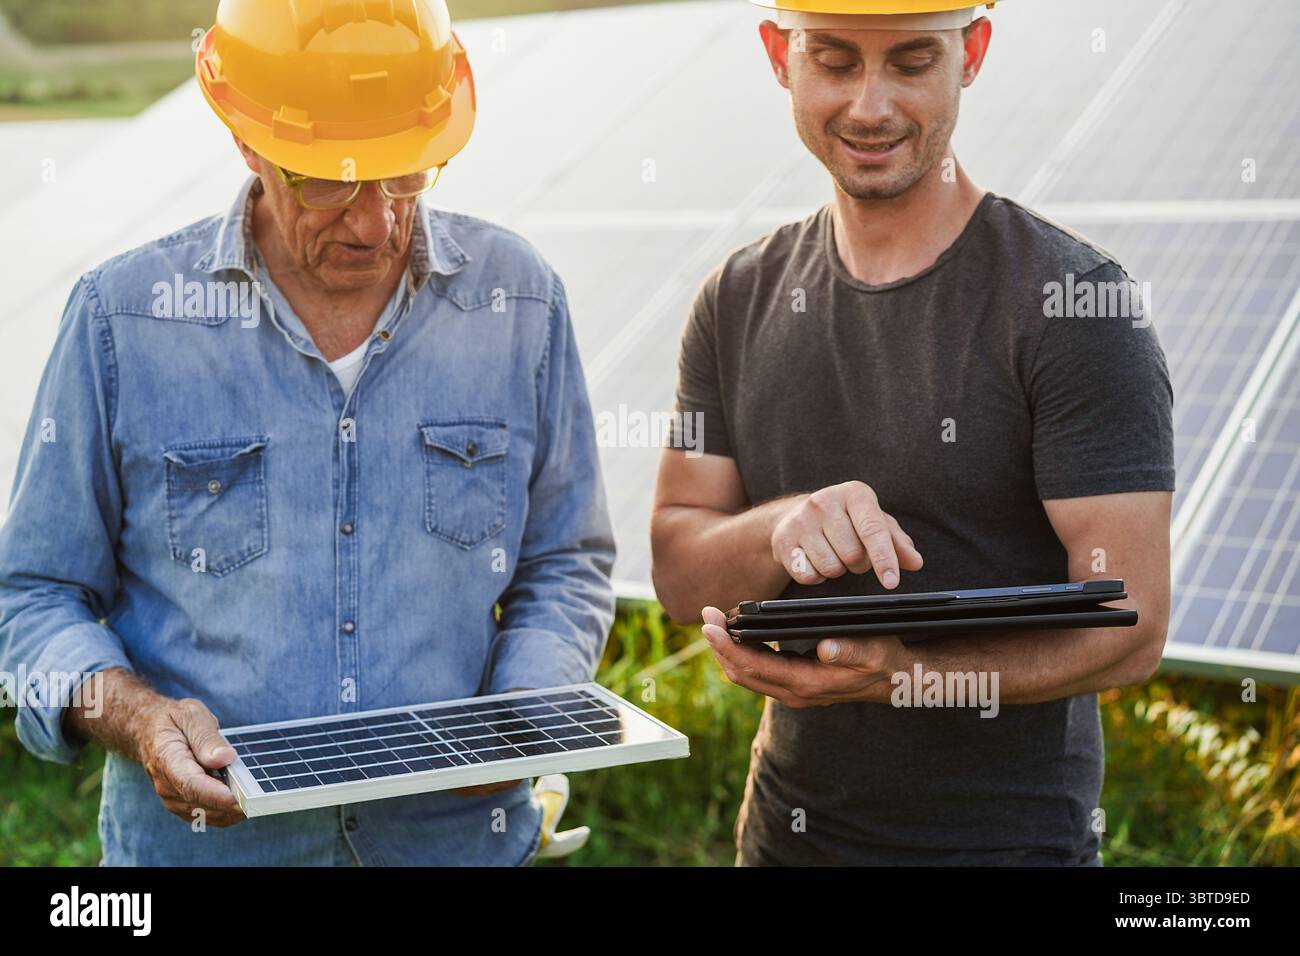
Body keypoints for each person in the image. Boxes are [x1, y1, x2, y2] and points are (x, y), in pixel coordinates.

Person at [0, 0, 615, 866]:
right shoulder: (123, 322)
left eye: (405, 174)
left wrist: (525, 704)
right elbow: (32, 597)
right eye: (328, 183)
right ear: (247, 142)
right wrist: (141, 720)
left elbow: (566, 559)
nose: (375, 223)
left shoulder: (519, 302)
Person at [651, 0, 1174, 865]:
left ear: (972, 52)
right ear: (779, 56)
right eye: (835, 60)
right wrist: (779, 529)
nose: (870, 106)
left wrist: (907, 680)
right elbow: (677, 570)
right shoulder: (734, 300)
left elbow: (1132, 628)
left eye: (912, 61)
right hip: (786, 838)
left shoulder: (1077, 308)